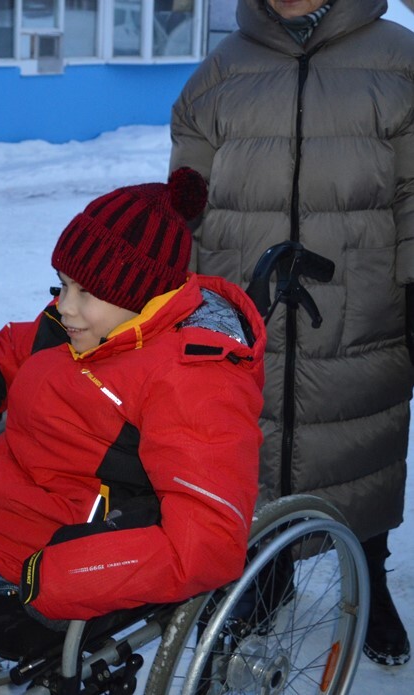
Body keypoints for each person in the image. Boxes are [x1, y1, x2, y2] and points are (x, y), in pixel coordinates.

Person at [0, 169, 267, 653]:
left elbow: (207, 541)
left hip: (56, 548)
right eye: (63, 285)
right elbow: (1, 356)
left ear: (138, 297)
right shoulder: (83, 325)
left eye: (85, 293)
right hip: (5, 490)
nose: (64, 306)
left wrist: (57, 577)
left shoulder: (194, 379)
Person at [170, 0, 414, 666]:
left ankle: (369, 578)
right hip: (246, 305)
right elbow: (183, 201)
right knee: (253, 446)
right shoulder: (220, 72)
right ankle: (267, 574)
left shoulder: (400, 60)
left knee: (363, 444)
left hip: (361, 305)